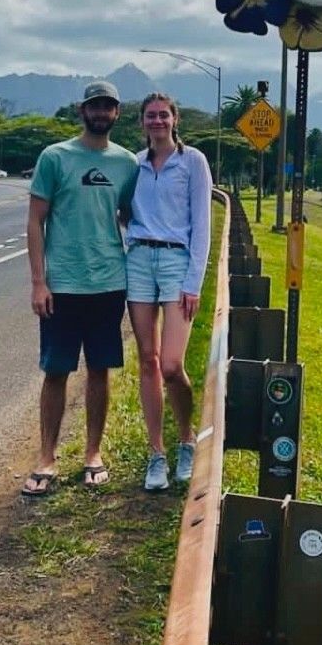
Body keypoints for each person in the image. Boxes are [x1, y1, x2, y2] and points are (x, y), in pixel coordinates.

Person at [20, 80, 138, 498]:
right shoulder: (55, 157)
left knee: (100, 370)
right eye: (94, 106)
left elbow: (128, 217)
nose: (101, 112)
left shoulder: (127, 164)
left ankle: (92, 453)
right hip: (63, 285)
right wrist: (39, 281)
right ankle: (46, 457)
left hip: (109, 282)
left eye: (108, 106)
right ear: (81, 110)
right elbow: (36, 221)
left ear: (117, 113)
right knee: (55, 371)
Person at [126, 92, 213, 491]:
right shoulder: (136, 165)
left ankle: (186, 438)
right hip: (140, 260)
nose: (157, 121)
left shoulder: (192, 161)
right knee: (147, 359)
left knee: (171, 366)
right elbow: (122, 211)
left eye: (164, 115)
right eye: (150, 116)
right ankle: (156, 453)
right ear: (142, 122)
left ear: (175, 119)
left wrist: (193, 282)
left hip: (177, 263)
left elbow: (202, 226)